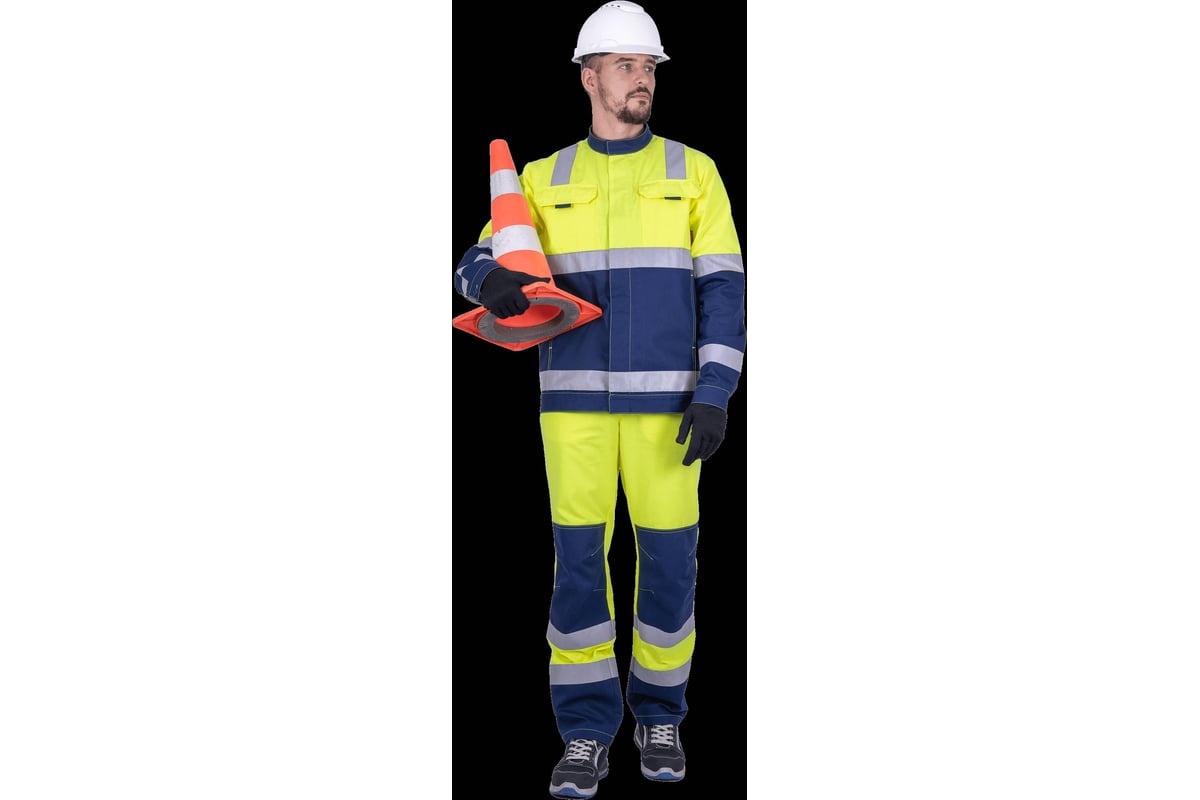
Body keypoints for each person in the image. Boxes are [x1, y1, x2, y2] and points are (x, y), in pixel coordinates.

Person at [452, 3, 746, 797]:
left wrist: (717, 391)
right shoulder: (545, 177)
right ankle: (584, 730)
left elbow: (725, 289)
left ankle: (661, 716)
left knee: (671, 567)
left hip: (671, 413)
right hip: (573, 410)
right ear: (589, 77)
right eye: (625, 66)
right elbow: (473, 261)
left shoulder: (694, 171)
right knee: (579, 568)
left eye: (648, 67)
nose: (641, 79)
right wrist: (493, 279)